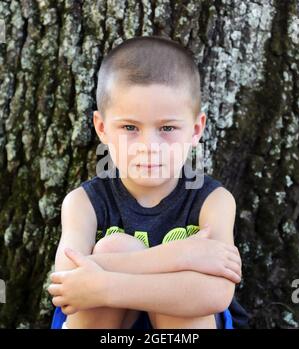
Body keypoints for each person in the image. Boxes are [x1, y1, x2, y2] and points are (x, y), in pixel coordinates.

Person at [48, 35, 249, 329]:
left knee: (183, 290)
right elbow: (67, 283)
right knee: (113, 247)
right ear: (102, 128)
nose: (149, 146)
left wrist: (105, 283)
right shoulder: (83, 203)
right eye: (130, 127)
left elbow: (217, 293)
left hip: (182, 325)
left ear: (195, 130)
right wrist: (182, 255)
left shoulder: (213, 201)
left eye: (167, 128)